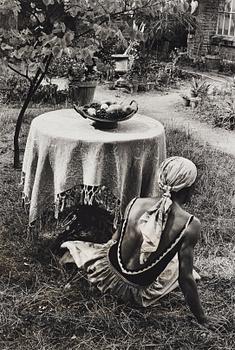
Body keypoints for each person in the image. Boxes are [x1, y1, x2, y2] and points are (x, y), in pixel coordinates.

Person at [60, 156, 207, 324]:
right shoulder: (190, 224)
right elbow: (185, 277)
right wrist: (203, 319)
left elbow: (116, 238)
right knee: (174, 265)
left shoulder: (136, 203)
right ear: (189, 188)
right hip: (135, 291)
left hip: (106, 275)